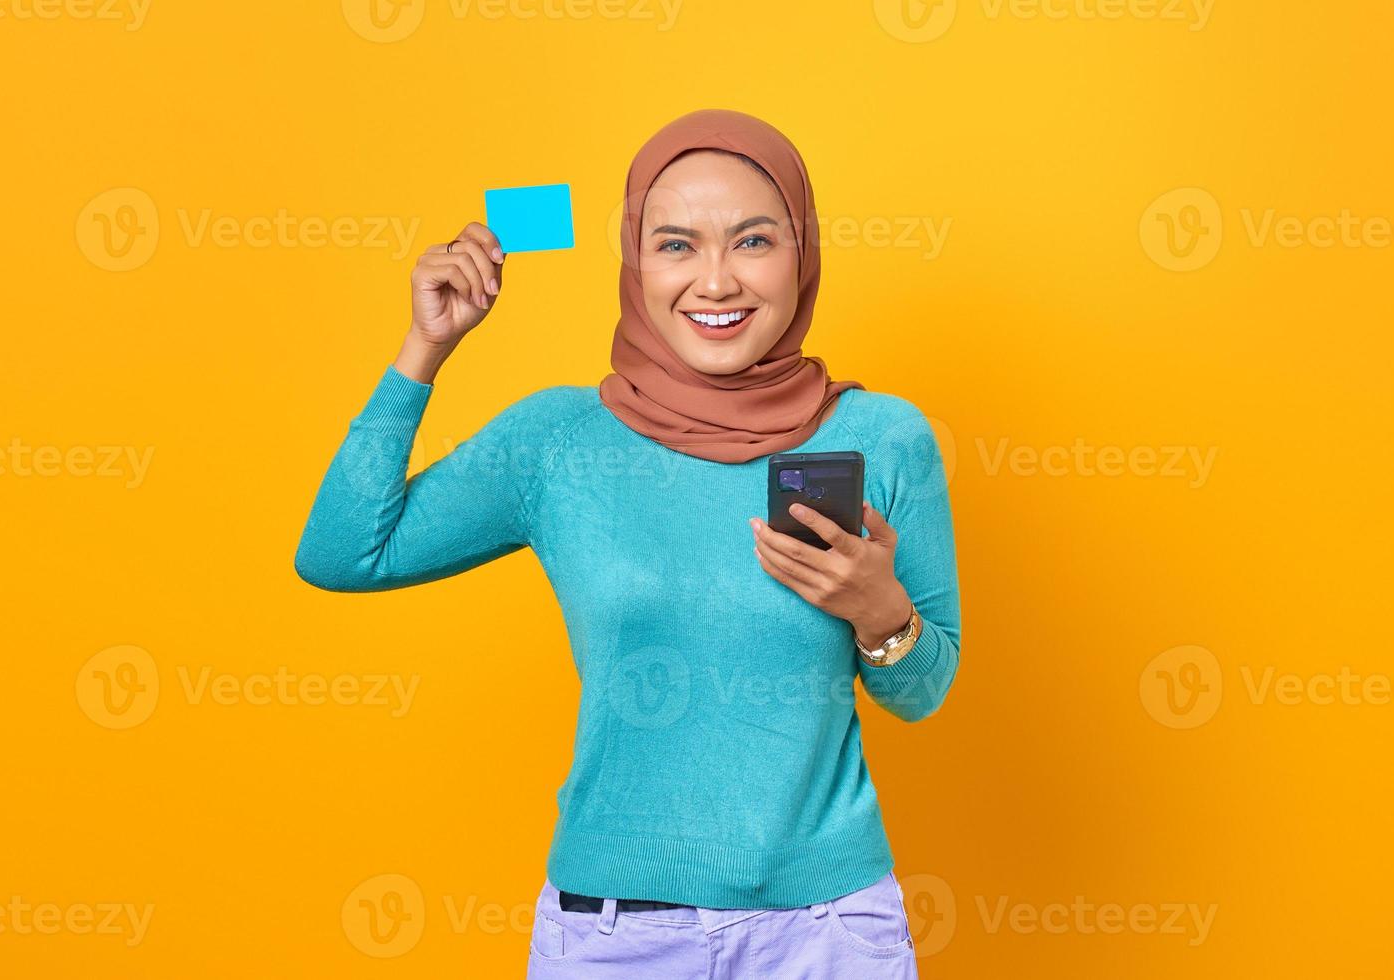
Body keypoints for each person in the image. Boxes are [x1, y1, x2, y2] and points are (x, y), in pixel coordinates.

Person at [294, 108, 961, 979]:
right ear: (633, 264)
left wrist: (881, 612)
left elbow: (922, 692)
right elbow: (344, 554)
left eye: (753, 241)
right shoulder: (559, 439)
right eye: (676, 245)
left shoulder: (883, 435)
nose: (715, 281)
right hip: (615, 941)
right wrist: (425, 349)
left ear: (803, 256)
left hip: (828, 936)